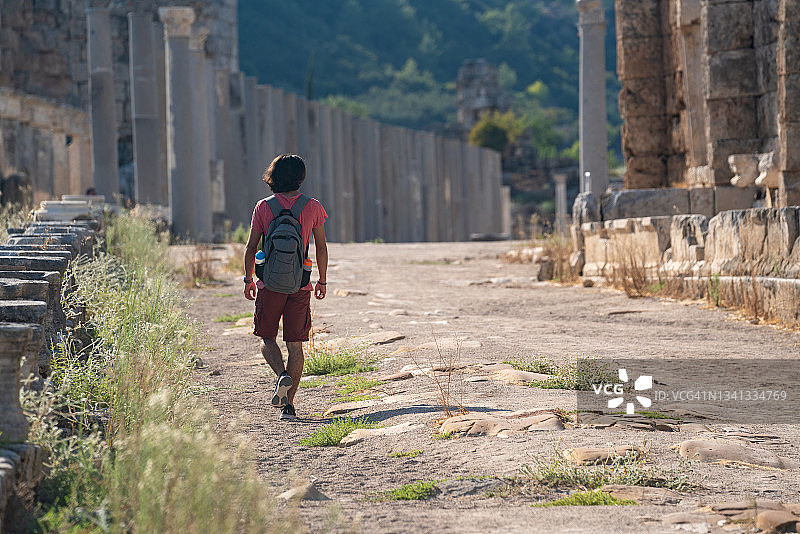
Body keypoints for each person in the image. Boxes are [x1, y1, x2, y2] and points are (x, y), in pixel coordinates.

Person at [243, 154, 328, 421]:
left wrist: (248, 280)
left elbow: (251, 247)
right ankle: (288, 407)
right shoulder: (313, 207)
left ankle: (281, 376)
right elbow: (321, 248)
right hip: (300, 285)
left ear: (273, 176)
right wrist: (321, 281)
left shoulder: (263, 207)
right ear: (301, 177)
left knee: (267, 338)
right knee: (296, 346)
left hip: (269, 284)